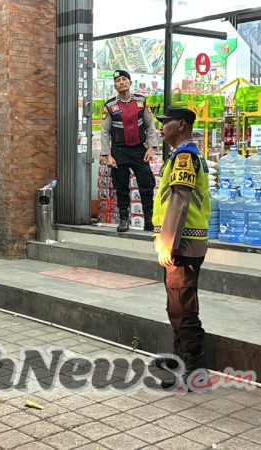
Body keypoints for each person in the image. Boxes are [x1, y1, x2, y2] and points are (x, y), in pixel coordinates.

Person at [151, 106, 211, 389]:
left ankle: (195, 369)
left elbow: (179, 201)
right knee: (176, 305)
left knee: (182, 307)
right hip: (182, 241)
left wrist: (167, 243)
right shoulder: (180, 155)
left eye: (166, 122)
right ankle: (181, 360)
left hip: (183, 244)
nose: (161, 127)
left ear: (182, 125)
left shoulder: (185, 156)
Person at [100, 69, 160, 233]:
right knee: (121, 187)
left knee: (146, 184)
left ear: (130, 83)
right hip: (119, 151)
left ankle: (149, 219)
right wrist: (108, 155)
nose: (121, 82)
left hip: (139, 150)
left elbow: (150, 126)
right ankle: (124, 219)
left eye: (124, 79)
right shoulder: (110, 106)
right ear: (115, 85)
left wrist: (150, 147)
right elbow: (104, 132)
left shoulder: (141, 101)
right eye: (118, 81)